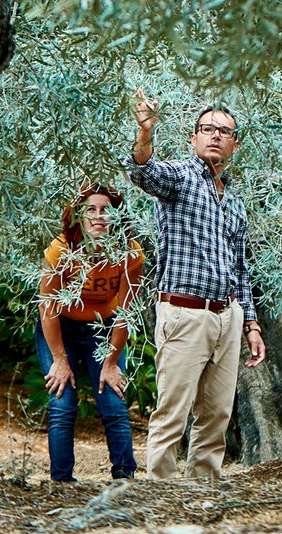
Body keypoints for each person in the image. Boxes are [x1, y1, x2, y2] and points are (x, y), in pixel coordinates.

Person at [126, 89, 267, 480]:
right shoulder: (180, 179)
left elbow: (240, 268)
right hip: (184, 313)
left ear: (235, 144)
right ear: (194, 138)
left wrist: (250, 324)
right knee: (173, 412)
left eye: (224, 131)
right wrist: (145, 132)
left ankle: (201, 495)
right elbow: (143, 171)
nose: (215, 136)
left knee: (217, 416)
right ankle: (160, 498)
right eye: (207, 129)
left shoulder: (234, 201)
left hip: (227, 316)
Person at [37, 185, 144, 482]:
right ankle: (61, 482)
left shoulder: (130, 253)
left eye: (106, 209)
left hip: (104, 328)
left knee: (113, 399)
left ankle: (125, 478)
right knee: (62, 401)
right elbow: (47, 308)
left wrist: (110, 363)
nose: (99, 216)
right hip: (61, 327)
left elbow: (124, 310)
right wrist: (59, 359)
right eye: (91, 210)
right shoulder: (61, 249)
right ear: (79, 217)